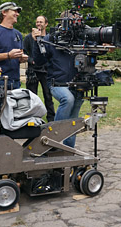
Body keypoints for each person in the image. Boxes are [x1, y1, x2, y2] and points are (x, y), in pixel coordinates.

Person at [31, 12, 83, 147]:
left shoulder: (80, 39)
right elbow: (38, 61)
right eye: (74, 21)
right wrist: (37, 42)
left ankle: (68, 149)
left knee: (72, 121)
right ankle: (52, 137)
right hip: (57, 82)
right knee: (68, 99)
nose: (77, 24)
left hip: (77, 83)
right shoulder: (51, 38)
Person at [24, 15, 55, 122]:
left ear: (46, 24)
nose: (38, 24)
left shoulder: (49, 38)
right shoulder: (29, 38)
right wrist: (31, 60)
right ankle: (32, 118)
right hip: (33, 70)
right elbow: (23, 52)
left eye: (41, 22)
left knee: (48, 96)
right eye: (37, 22)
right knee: (32, 97)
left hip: (46, 71)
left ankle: (51, 118)